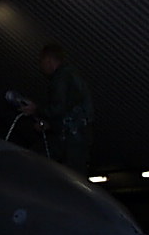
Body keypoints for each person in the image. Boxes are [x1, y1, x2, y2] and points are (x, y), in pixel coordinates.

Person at [19, 44, 93, 175]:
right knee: (74, 171)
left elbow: (59, 107)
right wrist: (50, 124)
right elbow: (67, 109)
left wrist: (36, 110)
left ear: (48, 60)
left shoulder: (61, 78)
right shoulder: (71, 75)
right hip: (77, 133)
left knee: (43, 159)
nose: (41, 67)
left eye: (41, 62)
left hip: (71, 135)